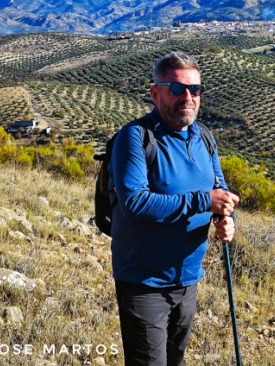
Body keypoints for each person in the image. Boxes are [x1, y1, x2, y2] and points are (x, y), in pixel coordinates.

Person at [109, 51, 240, 365]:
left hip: (188, 279)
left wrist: (227, 217)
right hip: (144, 284)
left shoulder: (204, 138)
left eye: (195, 90)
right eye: (177, 89)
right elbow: (135, 203)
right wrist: (204, 201)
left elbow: (220, 191)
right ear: (155, 93)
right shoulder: (136, 138)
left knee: (175, 360)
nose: (188, 97)